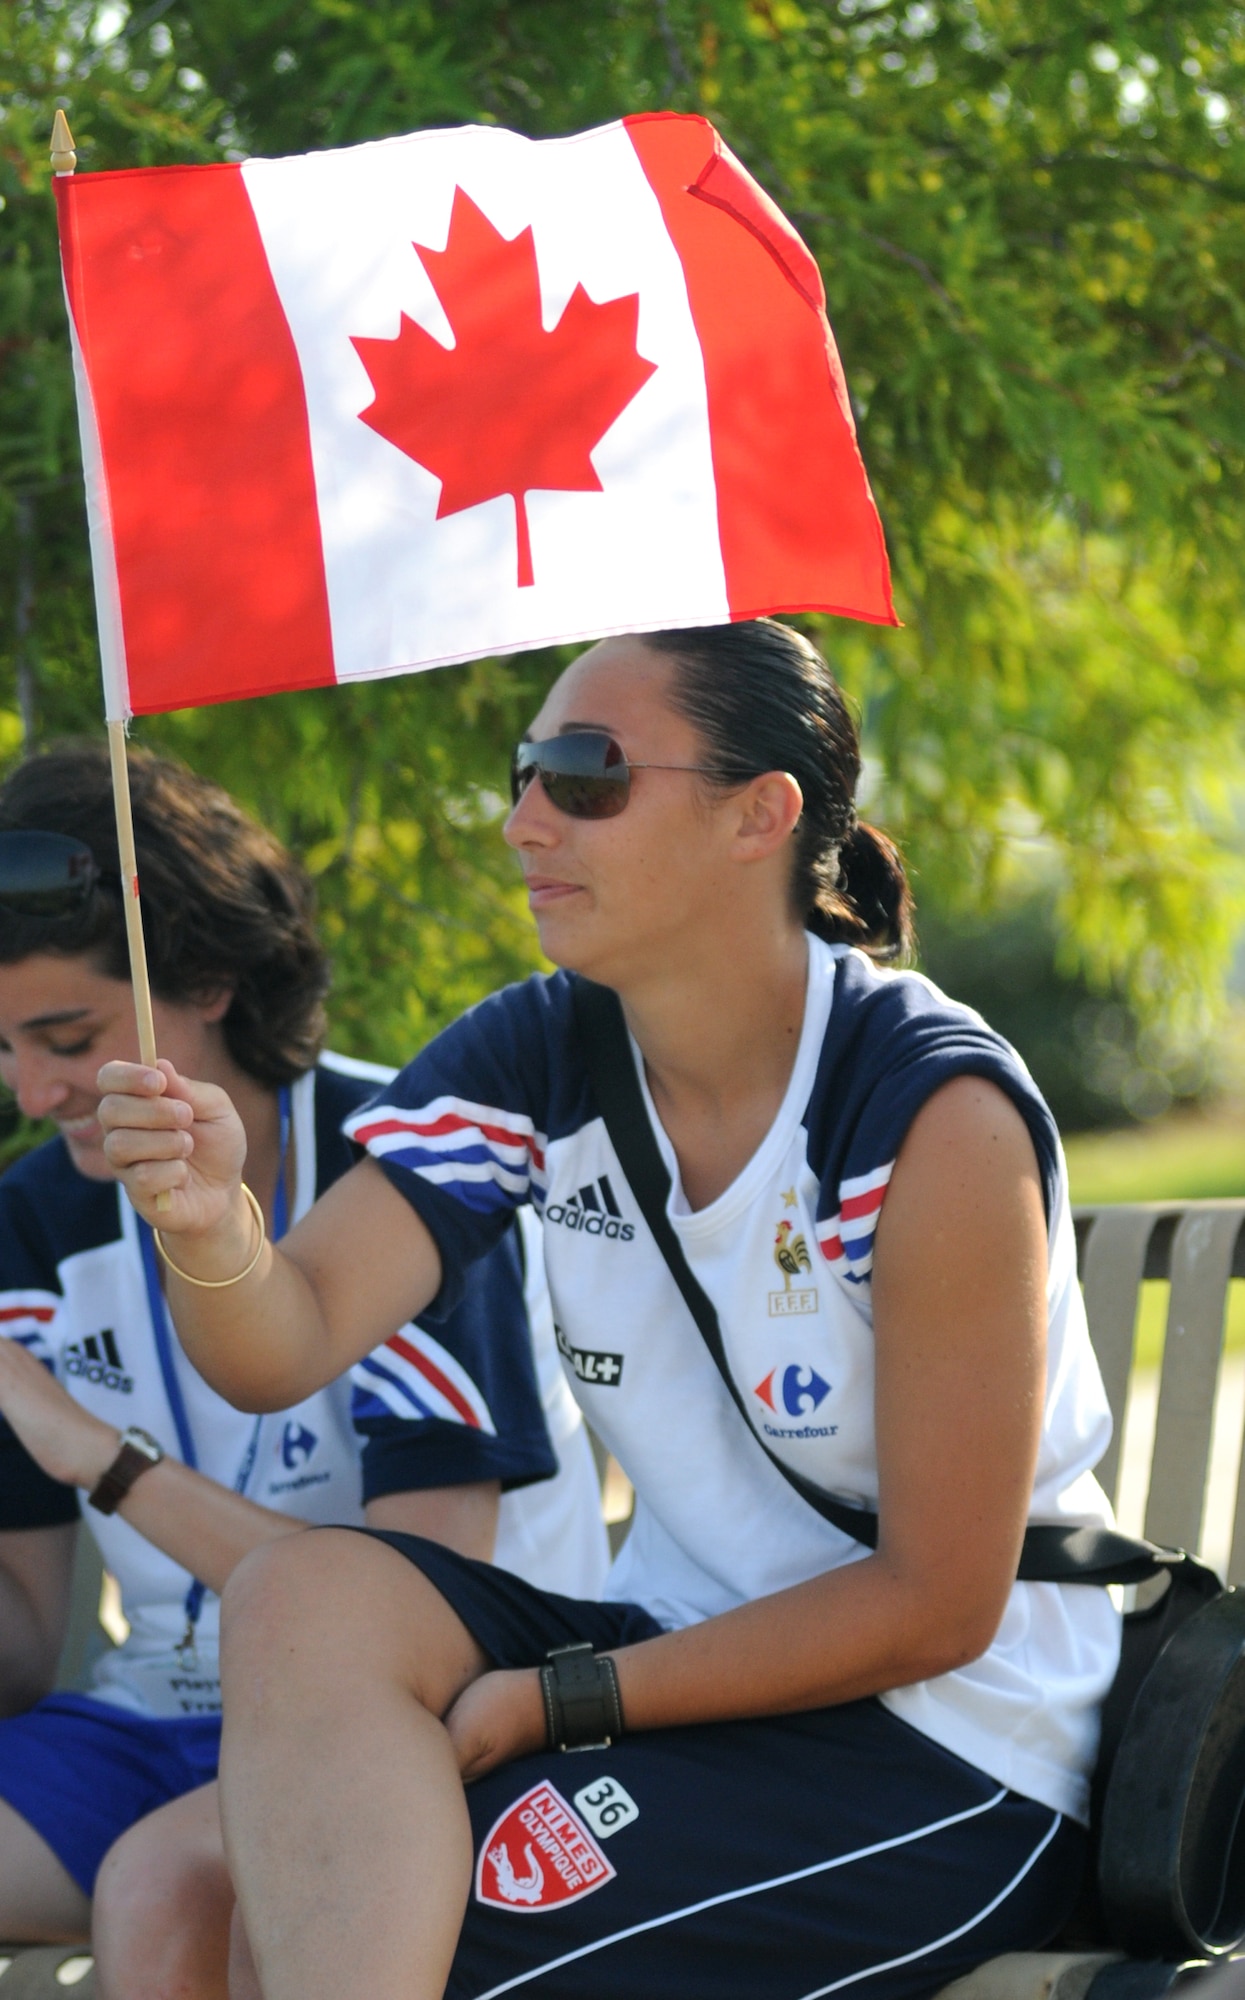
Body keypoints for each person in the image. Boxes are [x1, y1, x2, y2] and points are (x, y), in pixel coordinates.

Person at [99, 620, 1122, 2000]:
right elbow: (281, 1345)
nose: (525, 821)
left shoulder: (925, 1112)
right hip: (669, 1656)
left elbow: (936, 1606)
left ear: (758, 814)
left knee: (441, 1940)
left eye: (585, 776)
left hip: (947, 1733)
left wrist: (560, 1701)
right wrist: (211, 1220)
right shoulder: (538, 1052)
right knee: (294, 1608)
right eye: (523, 773)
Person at [0, 742, 607, 1985]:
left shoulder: (417, 1175)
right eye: (3, 1046)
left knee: (168, 1886)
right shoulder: (31, 1221)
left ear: (210, 980)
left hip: (418, 1721)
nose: (31, 1088)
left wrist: (97, 1457)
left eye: (67, 1034)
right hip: (150, 1717)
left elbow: (413, 1609)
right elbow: (22, 1639)